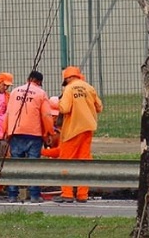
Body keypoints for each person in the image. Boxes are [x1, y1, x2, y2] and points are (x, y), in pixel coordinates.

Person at [53, 66, 103, 203]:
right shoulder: (89, 87)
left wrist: (59, 102)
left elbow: (65, 108)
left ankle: (67, 194)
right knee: (84, 162)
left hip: (73, 130)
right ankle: (82, 194)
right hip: (87, 129)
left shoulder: (68, 89)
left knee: (66, 161)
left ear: (68, 78)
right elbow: (99, 107)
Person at [4, 70, 54, 203]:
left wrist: (6, 131)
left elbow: (8, 113)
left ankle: (12, 195)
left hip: (16, 132)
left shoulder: (15, 92)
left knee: (15, 165)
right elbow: (46, 116)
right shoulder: (41, 94)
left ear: (28, 79)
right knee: (33, 166)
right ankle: (34, 195)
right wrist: (50, 132)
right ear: (39, 82)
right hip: (34, 134)